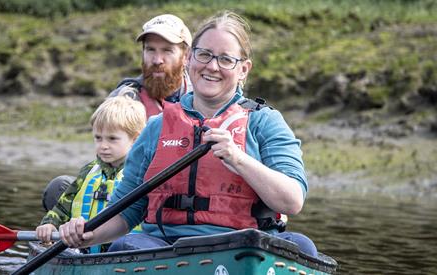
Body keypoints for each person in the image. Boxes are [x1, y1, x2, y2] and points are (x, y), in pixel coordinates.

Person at [58, 11, 318, 258]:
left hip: (246, 246)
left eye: (226, 59)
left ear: (243, 69)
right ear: (190, 58)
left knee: (302, 246)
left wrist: (238, 159)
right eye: (204, 55)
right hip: (168, 249)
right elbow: (126, 213)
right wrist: (85, 234)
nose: (212, 66)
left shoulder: (265, 122)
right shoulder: (156, 128)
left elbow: (292, 201)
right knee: (126, 245)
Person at [41, 13, 193, 210]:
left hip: (179, 198)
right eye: (150, 50)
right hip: (129, 191)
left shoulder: (202, 98)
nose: (157, 60)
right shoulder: (124, 97)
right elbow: (106, 158)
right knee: (59, 188)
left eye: (167, 51)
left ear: (186, 56)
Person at [36, 95, 146, 253]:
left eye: (112, 139)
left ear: (135, 139)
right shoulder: (89, 170)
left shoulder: (142, 173)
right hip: (82, 250)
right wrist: (50, 223)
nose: (103, 146)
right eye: (98, 138)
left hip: (123, 251)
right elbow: (64, 206)